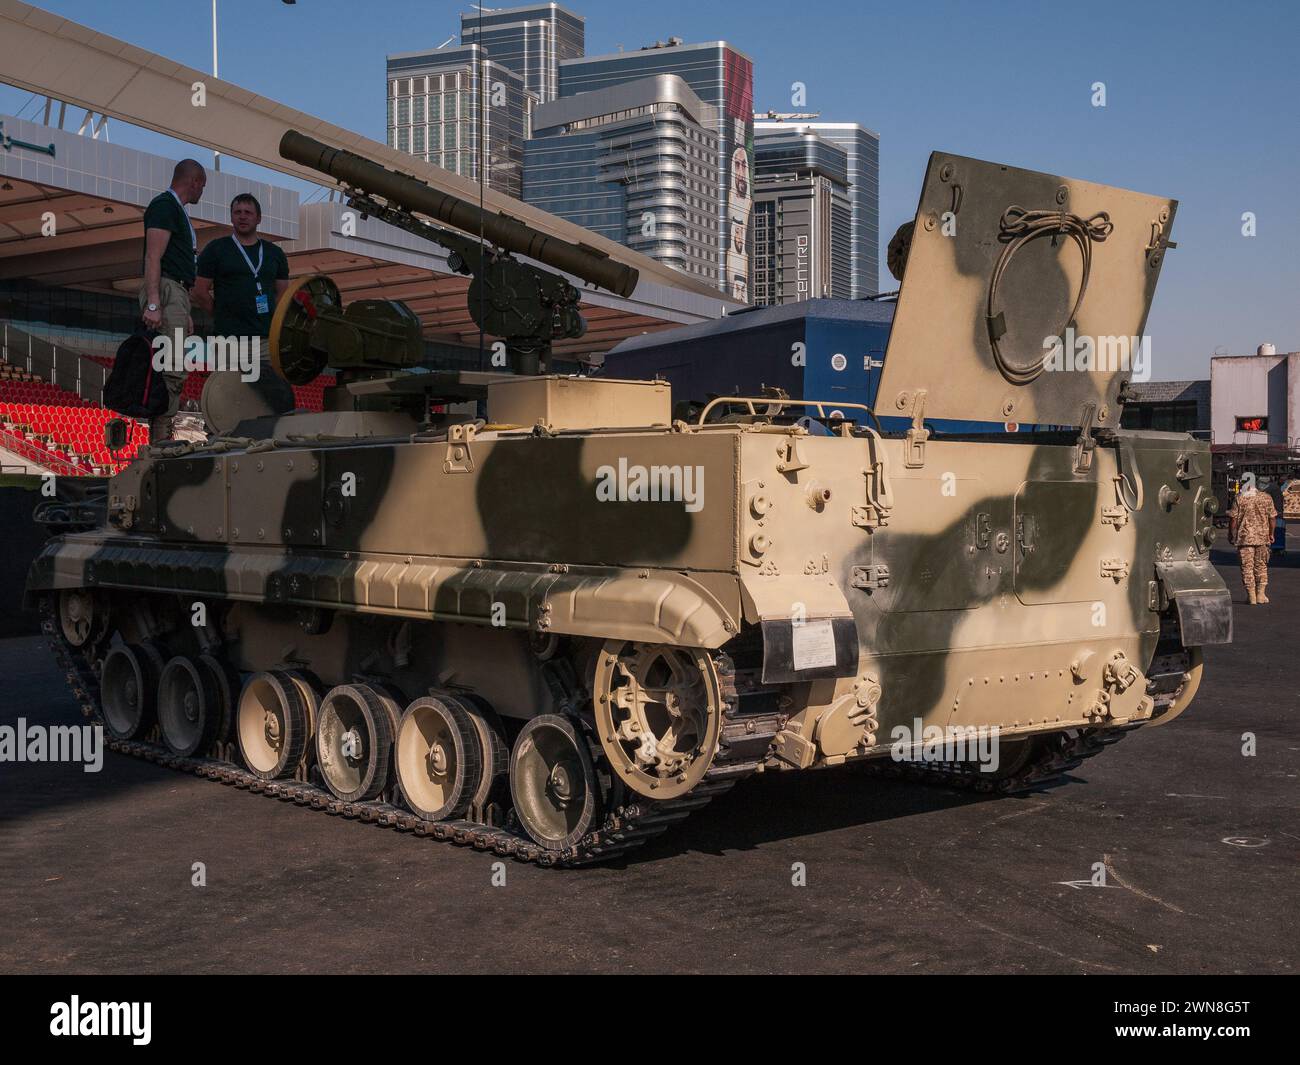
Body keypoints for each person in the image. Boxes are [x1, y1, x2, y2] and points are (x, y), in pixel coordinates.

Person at [193, 193, 295, 415]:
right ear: (231, 217)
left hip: (265, 340)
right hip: (229, 339)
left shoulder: (273, 253)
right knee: (228, 395)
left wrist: (269, 319)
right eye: (237, 212)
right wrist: (221, 314)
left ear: (258, 218)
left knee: (273, 396)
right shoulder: (217, 249)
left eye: (248, 213)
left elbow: (282, 292)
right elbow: (199, 291)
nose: (242, 217)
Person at [140, 158, 206, 442]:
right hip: (166, 290)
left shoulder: (176, 210)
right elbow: (153, 255)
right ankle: (161, 434)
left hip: (175, 291)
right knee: (171, 364)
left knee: (175, 362)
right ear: (194, 182)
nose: (202, 191)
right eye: (202, 185)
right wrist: (154, 302)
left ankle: (162, 429)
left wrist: (185, 308)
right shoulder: (165, 205)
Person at [1229, 474, 1278, 605]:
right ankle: (1261, 594)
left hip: (1245, 539)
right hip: (1262, 538)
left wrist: (1231, 534)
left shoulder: (1239, 498)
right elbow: (1272, 518)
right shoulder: (1266, 498)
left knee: (1247, 567)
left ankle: (1251, 596)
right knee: (1261, 566)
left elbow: (1233, 519)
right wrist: (1271, 533)